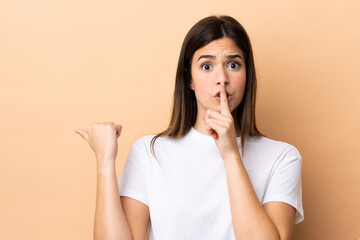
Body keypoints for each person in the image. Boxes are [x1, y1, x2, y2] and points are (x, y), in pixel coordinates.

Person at [75, 15, 304, 240]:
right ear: (189, 80)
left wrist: (231, 155)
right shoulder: (149, 152)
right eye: (207, 66)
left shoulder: (282, 157)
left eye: (233, 65)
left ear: (247, 75)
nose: (222, 78)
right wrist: (105, 162)